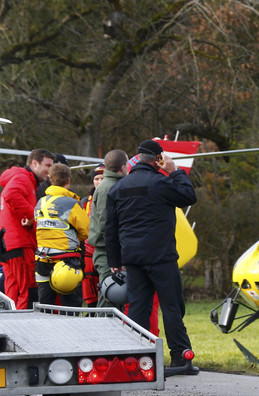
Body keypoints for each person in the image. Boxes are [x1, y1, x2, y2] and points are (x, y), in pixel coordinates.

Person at [106, 140, 197, 370]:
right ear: (158, 159)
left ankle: (138, 359)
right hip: (161, 256)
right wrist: (174, 171)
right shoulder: (162, 183)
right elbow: (188, 196)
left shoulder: (117, 189)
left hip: (133, 259)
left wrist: (115, 261)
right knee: (171, 307)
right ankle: (179, 356)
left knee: (138, 308)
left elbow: (111, 229)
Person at [0, 148, 54, 309]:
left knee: (13, 292)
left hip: (9, 244)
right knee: (27, 291)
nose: (50, 170)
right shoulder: (23, 178)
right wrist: (33, 216)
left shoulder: (19, 178)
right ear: (34, 163)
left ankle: (9, 328)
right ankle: (22, 331)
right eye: (47, 165)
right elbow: (11, 195)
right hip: (19, 244)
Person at [34, 163, 90, 306]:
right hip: (67, 260)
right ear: (68, 180)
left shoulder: (41, 202)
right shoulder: (71, 203)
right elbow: (86, 230)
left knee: (45, 306)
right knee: (70, 308)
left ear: (50, 179)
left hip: (42, 260)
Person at [89, 150, 128, 308]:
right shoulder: (109, 188)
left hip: (109, 251)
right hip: (106, 252)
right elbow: (107, 225)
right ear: (123, 167)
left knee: (115, 298)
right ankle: (101, 332)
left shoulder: (111, 185)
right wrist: (114, 257)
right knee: (109, 297)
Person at [79, 166, 105, 307]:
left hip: (105, 251)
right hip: (88, 253)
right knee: (89, 292)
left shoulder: (113, 197)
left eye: (102, 178)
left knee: (107, 289)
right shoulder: (84, 202)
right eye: (96, 179)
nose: (99, 181)